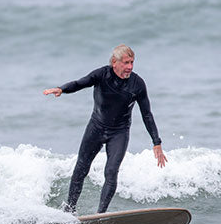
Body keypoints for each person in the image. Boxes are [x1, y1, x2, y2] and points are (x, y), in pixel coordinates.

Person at [43, 44, 167, 214]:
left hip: (119, 132)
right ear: (114, 62)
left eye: (132, 62)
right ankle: (69, 210)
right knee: (81, 168)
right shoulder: (101, 75)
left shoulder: (137, 84)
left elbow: (147, 114)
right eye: (126, 62)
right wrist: (61, 89)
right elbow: (80, 83)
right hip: (96, 127)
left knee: (111, 171)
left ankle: (100, 215)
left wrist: (156, 142)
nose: (130, 67)